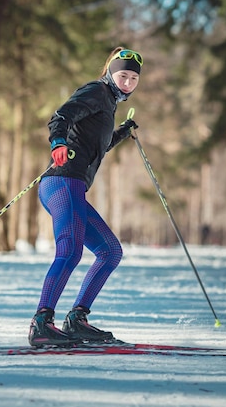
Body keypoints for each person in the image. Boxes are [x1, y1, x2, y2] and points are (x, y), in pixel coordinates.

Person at [28, 47, 143, 347]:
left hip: (73, 186)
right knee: (70, 252)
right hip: (62, 182)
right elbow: (62, 116)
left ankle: (77, 319)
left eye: (133, 78)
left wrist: (121, 132)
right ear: (109, 72)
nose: (128, 82)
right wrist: (58, 141)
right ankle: (42, 322)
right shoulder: (96, 91)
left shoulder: (108, 104)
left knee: (110, 252)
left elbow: (97, 146)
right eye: (123, 75)